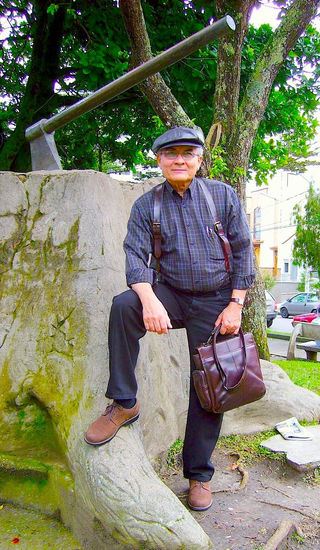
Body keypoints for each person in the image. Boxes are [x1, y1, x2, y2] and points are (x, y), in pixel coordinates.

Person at [85, 126, 255, 511]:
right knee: (124, 305)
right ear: (159, 160)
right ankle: (125, 402)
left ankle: (198, 475)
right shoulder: (148, 205)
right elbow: (135, 256)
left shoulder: (221, 197)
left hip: (216, 300)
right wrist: (149, 300)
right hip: (170, 294)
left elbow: (244, 251)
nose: (179, 160)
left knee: (211, 386)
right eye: (170, 154)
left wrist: (236, 305)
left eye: (187, 153)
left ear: (198, 159)